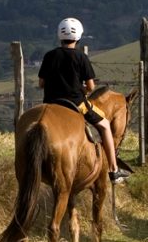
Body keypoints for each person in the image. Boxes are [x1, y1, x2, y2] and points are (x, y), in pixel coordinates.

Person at [38, 17, 131, 184]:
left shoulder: (49, 56)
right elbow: (90, 86)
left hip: (50, 103)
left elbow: (41, 83)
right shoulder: (81, 57)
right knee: (105, 125)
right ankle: (113, 170)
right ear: (78, 37)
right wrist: (83, 90)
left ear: (60, 36)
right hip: (76, 103)